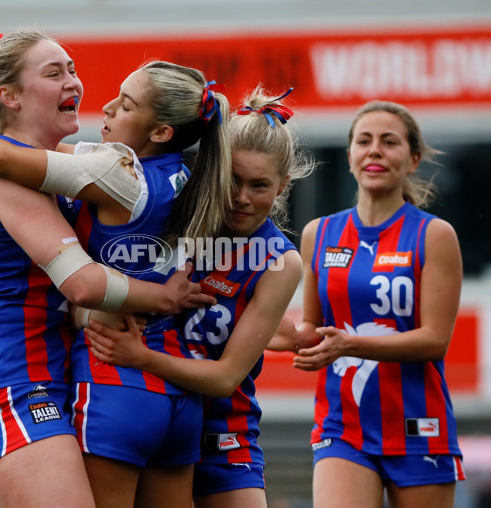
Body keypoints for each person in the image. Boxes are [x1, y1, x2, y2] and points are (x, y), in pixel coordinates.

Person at [0, 30, 210, 508]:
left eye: (73, 68)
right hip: (5, 382)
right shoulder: (7, 179)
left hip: (53, 374)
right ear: (8, 95)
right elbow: (85, 284)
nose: (75, 82)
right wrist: (165, 298)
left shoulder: (46, 168)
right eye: (55, 73)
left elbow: (31, 156)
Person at [86, 86, 314, 508]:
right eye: (233, 180)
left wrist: (142, 357)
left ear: (282, 186)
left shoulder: (281, 261)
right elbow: (75, 162)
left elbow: (227, 377)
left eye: (259, 185)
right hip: (147, 412)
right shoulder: (173, 208)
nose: (242, 198)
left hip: (224, 433)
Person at [269, 100, 465, 508]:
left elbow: (434, 341)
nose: (375, 150)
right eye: (364, 140)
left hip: (418, 424)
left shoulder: (434, 235)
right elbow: (313, 328)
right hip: (342, 425)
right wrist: (260, 329)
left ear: (412, 160)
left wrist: (347, 344)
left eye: (389, 142)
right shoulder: (318, 233)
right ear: (350, 156)